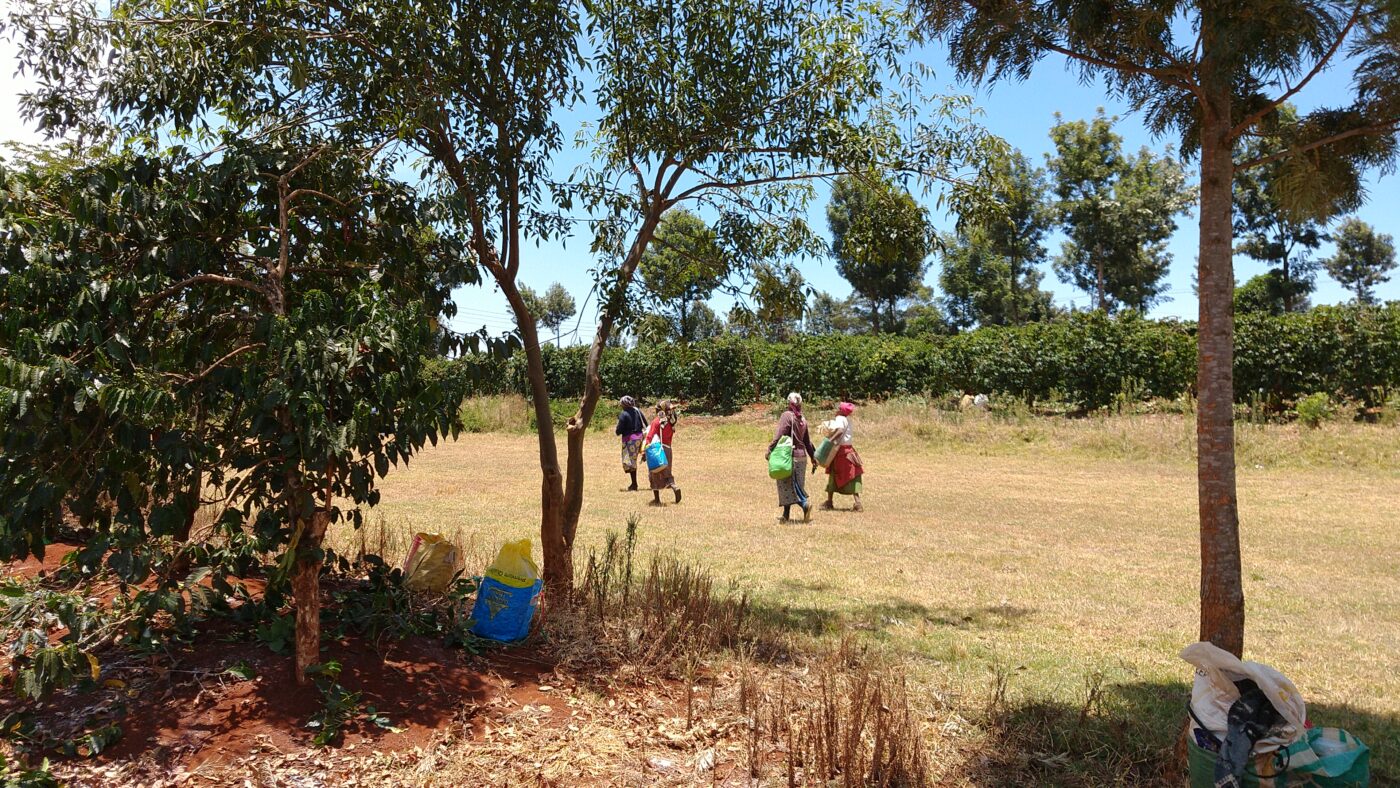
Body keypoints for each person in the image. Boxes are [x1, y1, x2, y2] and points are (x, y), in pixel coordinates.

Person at [767, 392, 817, 522]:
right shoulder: (802, 419)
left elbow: (779, 434)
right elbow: (807, 442)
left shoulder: (787, 416)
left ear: (789, 403)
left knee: (788, 485)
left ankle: (804, 504)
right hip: (802, 458)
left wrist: (770, 449)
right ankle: (786, 515)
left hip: (789, 457)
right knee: (793, 485)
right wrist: (813, 457)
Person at [821, 401, 864, 512]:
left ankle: (829, 502)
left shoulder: (840, 418)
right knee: (852, 475)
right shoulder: (848, 420)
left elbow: (840, 431)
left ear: (841, 410)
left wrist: (830, 440)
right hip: (849, 450)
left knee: (833, 474)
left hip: (839, 451)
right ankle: (857, 502)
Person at [642, 400, 682, 506]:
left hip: (657, 449)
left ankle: (657, 499)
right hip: (668, 449)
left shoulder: (657, 421)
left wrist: (645, 450)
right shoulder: (671, 421)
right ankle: (673, 486)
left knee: (654, 473)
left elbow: (650, 436)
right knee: (667, 472)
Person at [615, 395, 647, 491]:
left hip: (630, 440)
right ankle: (634, 484)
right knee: (632, 462)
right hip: (640, 438)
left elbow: (618, 431)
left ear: (624, 405)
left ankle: (634, 484)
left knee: (630, 463)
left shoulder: (624, 414)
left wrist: (618, 430)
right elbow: (646, 423)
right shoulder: (638, 411)